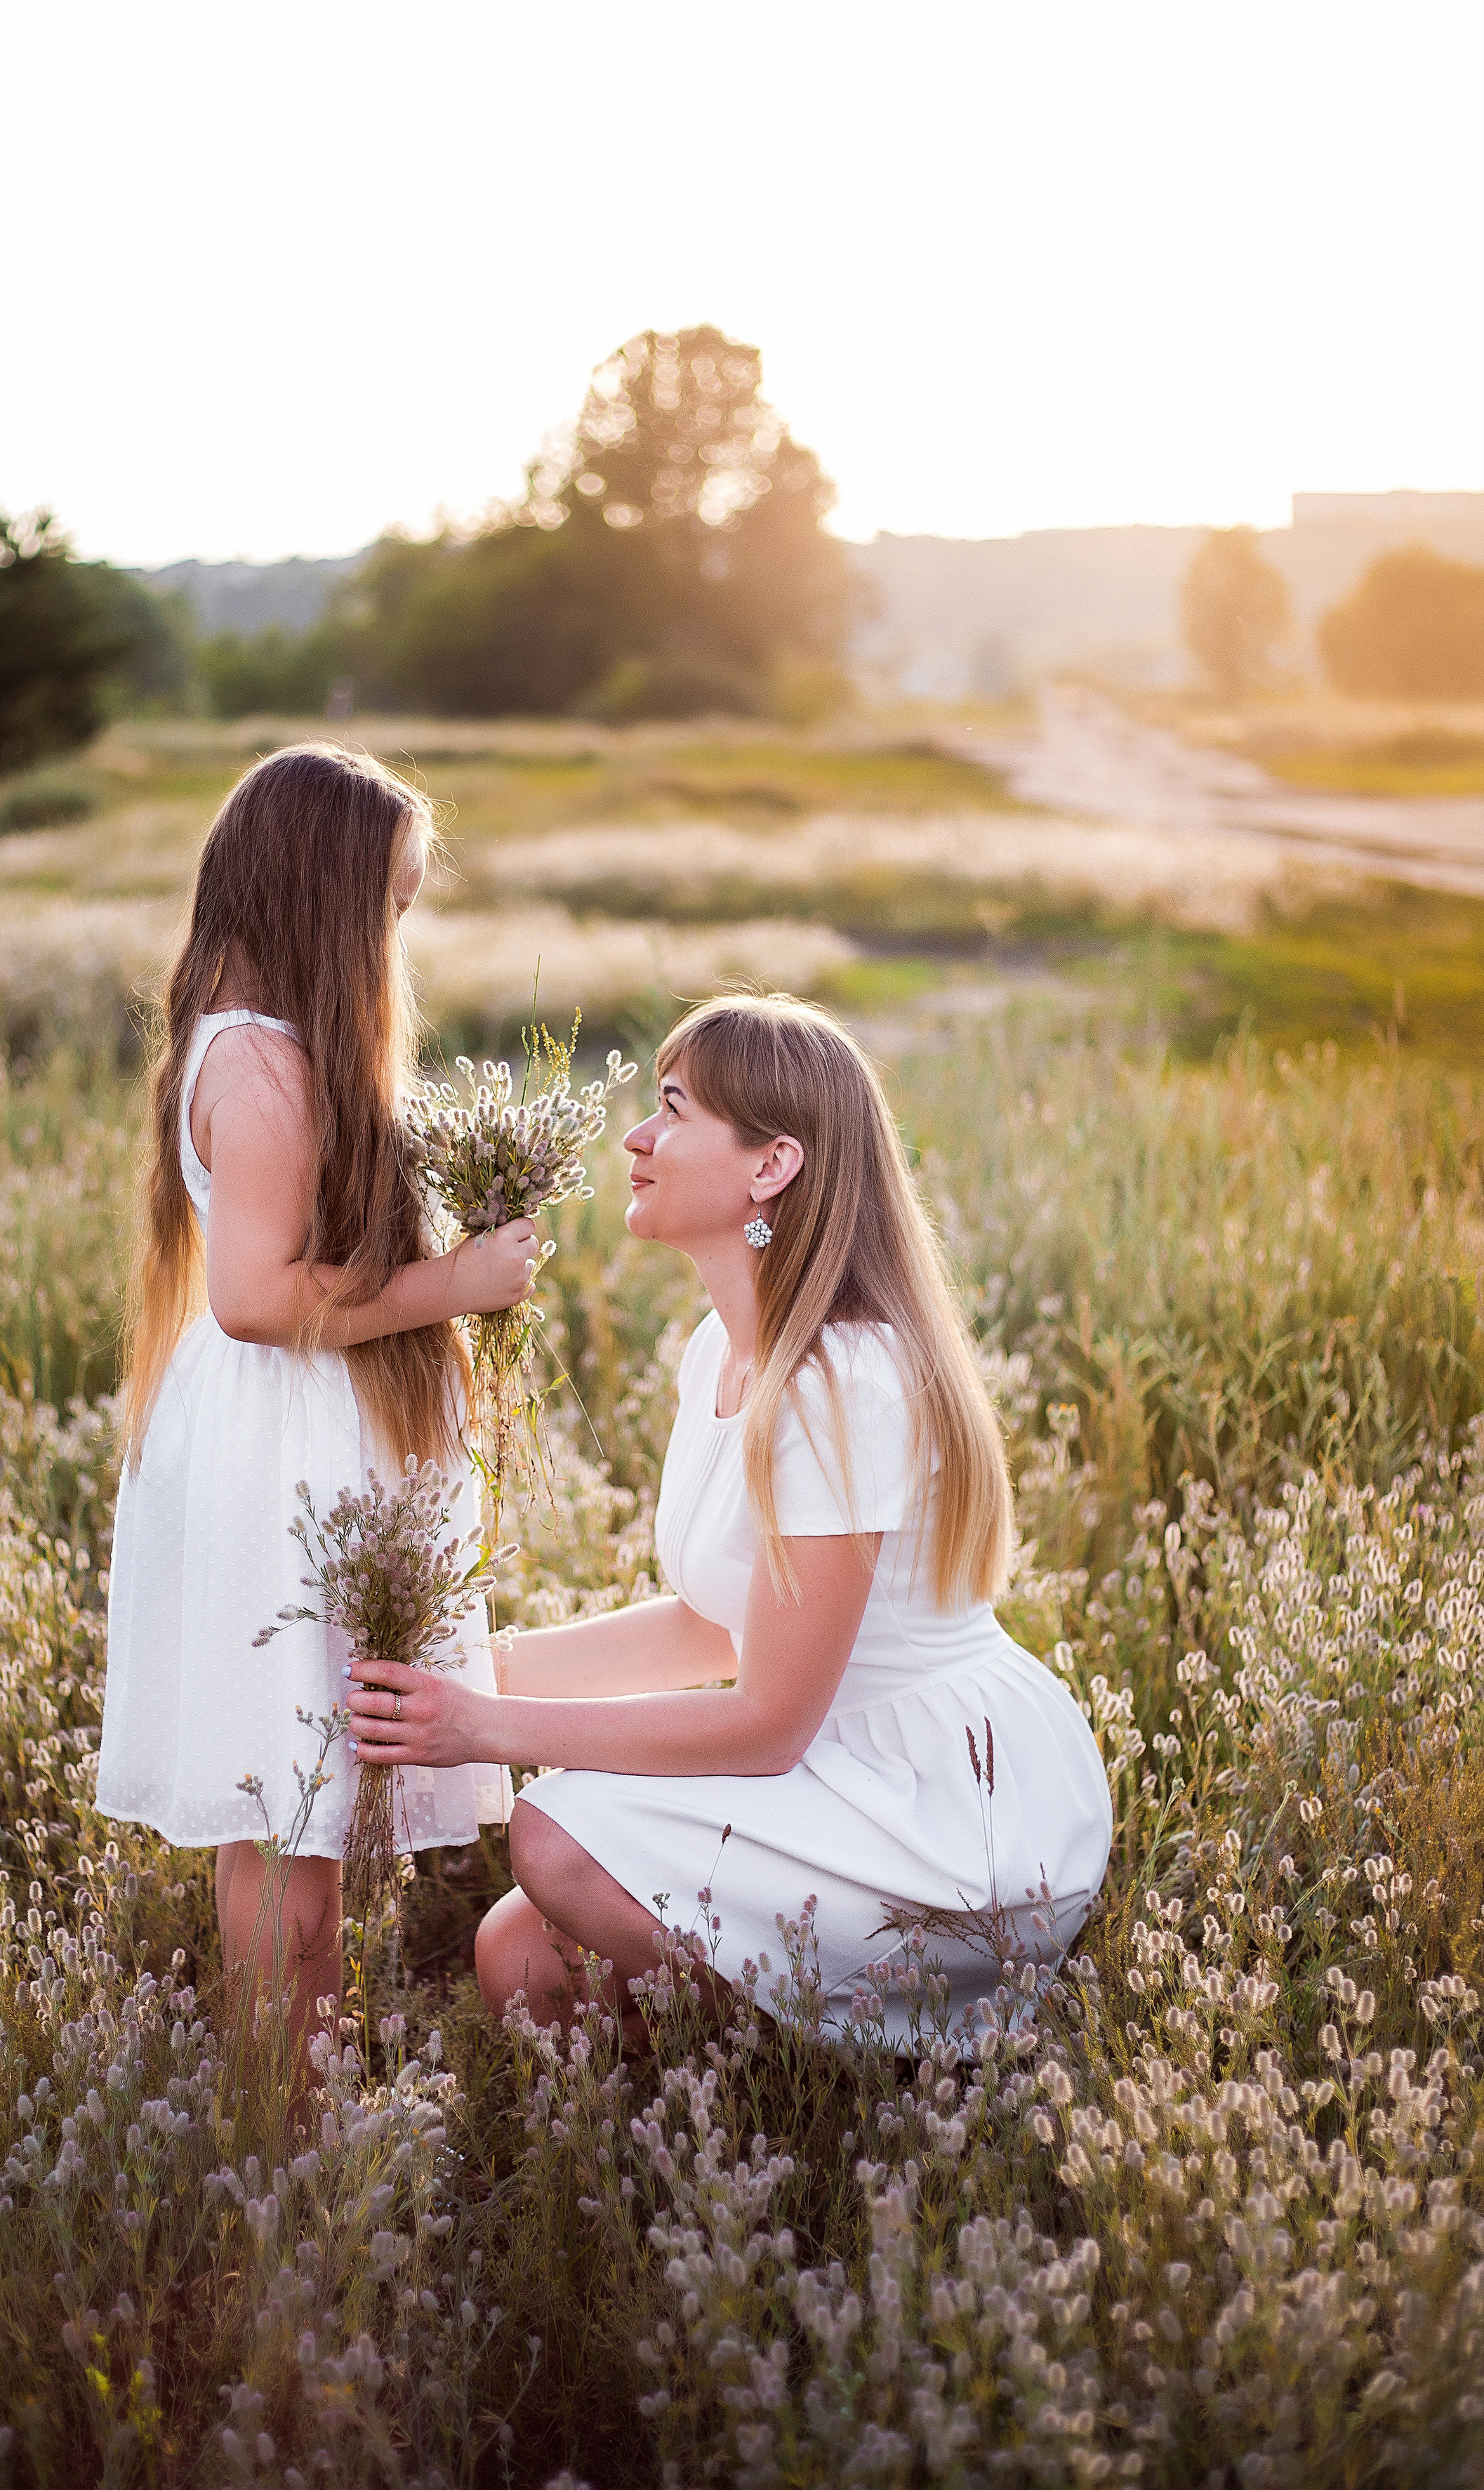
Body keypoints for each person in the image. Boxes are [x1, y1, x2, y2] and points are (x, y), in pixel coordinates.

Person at [344, 994, 1114, 2043]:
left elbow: (766, 1721)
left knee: (558, 1838)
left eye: (674, 1108)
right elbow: (714, 1623)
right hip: (831, 1765)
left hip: (941, 1802)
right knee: (514, 1954)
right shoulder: (722, 1350)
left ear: (771, 1167)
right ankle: (710, 2122)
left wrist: (489, 1730)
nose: (638, 1136)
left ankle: (820, 2081)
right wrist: (482, 1668)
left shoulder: (846, 1381)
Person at [97, 742, 538, 2057]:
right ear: (330, 902)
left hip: (289, 1440)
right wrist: (450, 1282)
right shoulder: (266, 1069)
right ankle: (283, 2135)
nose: (399, 933)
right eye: (391, 904)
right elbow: (254, 1299)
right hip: (275, 1456)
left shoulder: (260, 1050)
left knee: (298, 1821)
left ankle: (287, 2114)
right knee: (288, 1817)